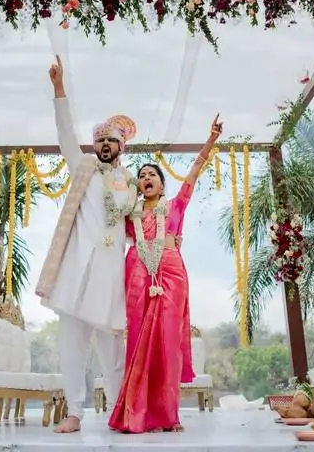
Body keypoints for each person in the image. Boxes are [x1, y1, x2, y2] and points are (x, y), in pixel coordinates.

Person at [34, 55, 140, 434]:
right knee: (72, 347)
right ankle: (75, 412)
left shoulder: (130, 183)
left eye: (111, 140)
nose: (104, 145)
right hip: (75, 272)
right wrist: (59, 88)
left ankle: (116, 411)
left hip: (111, 275)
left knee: (112, 350)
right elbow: (65, 133)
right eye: (99, 140)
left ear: (121, 147)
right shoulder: (82, 168)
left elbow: (147, 219)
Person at [108, 114, 223, 434]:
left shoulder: (175, 206)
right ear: (139, 186)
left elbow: (195, 173)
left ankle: (166, 415)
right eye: (142, 175)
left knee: (167, 344)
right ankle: (139, 414)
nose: (146, 177)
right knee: (139, 342)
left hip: (171, 273)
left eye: (152, 175)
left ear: (161, 184)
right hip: (137, 273)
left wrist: (211, 140)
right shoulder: (129, 214)